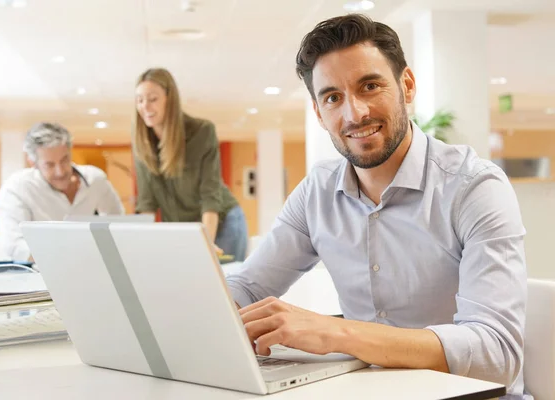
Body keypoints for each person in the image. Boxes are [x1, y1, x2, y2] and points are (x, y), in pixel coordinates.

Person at [225, 14, 529, 399]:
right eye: (333, 97)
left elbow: (497, 353)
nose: (355, 114)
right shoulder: (316, 191)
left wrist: (338, 333)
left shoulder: (475, 187)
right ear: (319, 113)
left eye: (370, 86)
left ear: (407, 85)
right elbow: (248, 287)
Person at [133, 68, 248, 261]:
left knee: (227, 288)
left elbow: (209, 196)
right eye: (139, 100)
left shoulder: (202, 132)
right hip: (185, 230)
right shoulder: (142, 143)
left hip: (221, 223)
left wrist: (207, 244)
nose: (145, 106)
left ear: (169, 99)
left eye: (153, 99)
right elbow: (147, 204)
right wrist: (145, 247)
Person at [0, 122, 124, 261]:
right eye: (49, 165)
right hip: (40, 273)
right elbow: (15, 246)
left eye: (64, 160)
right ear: (33, 163)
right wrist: (61, 255)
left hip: (93, 266)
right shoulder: (16, 189)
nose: (60, 171)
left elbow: (120, 225)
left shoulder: (95, 180)